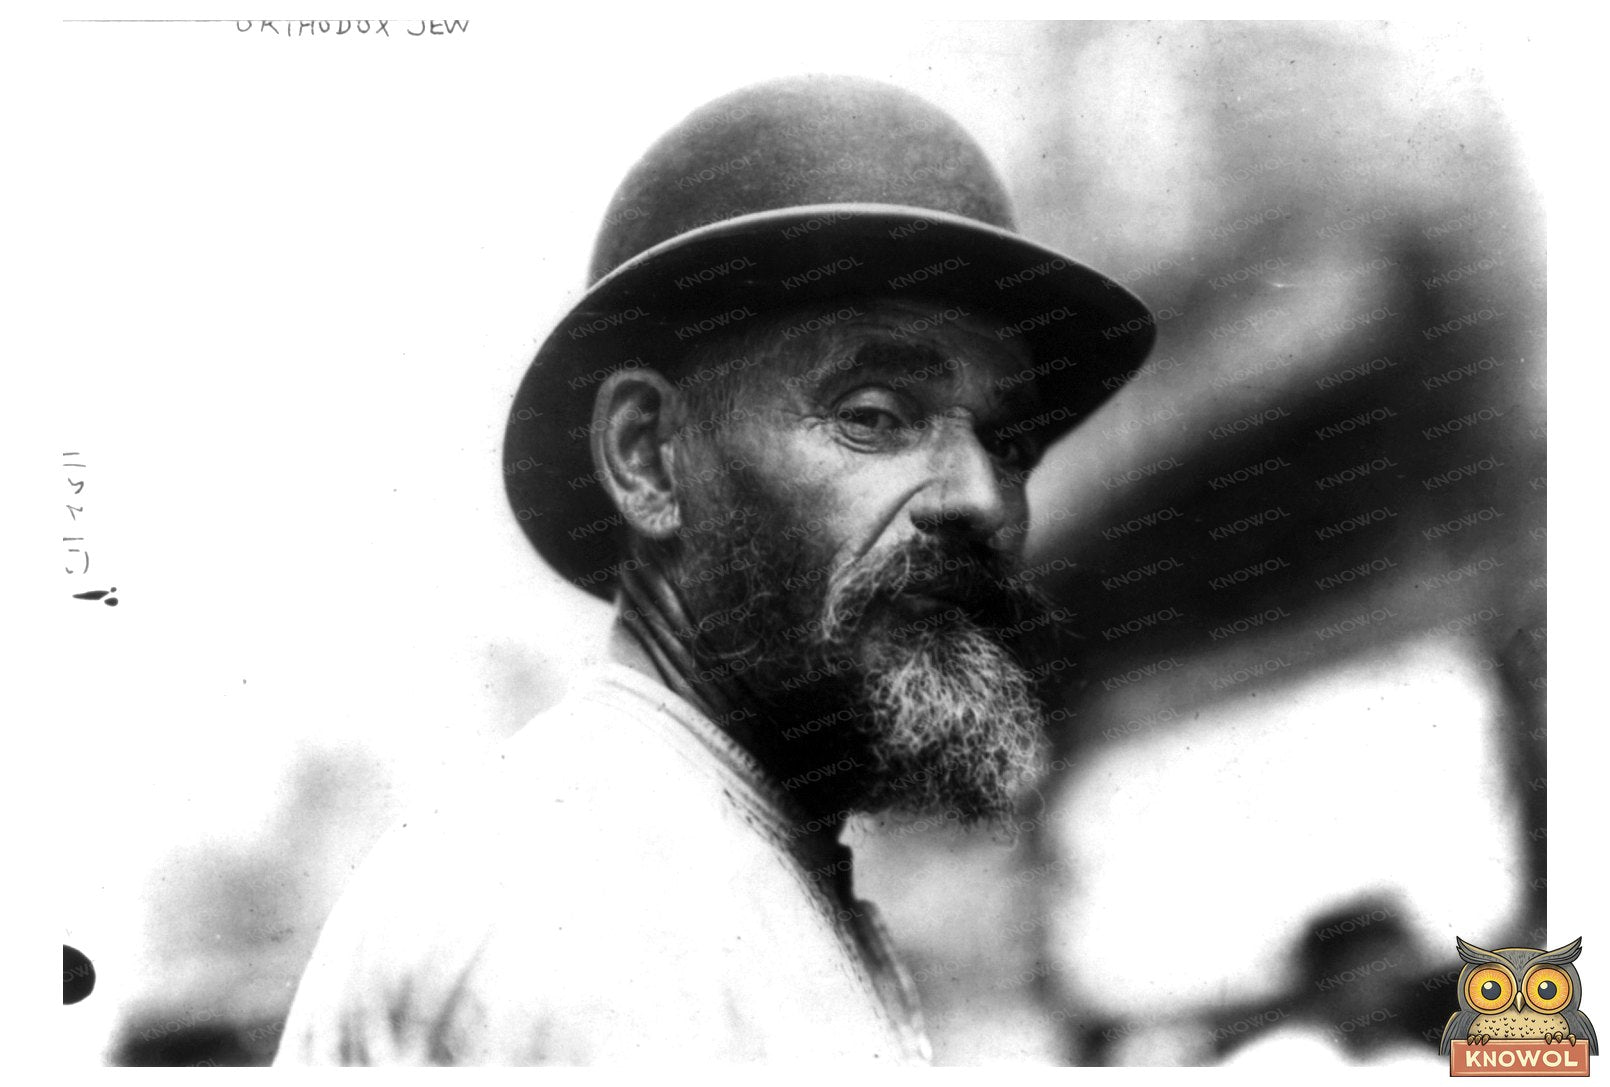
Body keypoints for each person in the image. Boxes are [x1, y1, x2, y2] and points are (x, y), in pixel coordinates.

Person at [274, 73, 1155, 1065]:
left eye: (1009, 444)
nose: (981, 498)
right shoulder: (582, 908)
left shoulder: (691, 856)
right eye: (873, 416)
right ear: (649, 458)